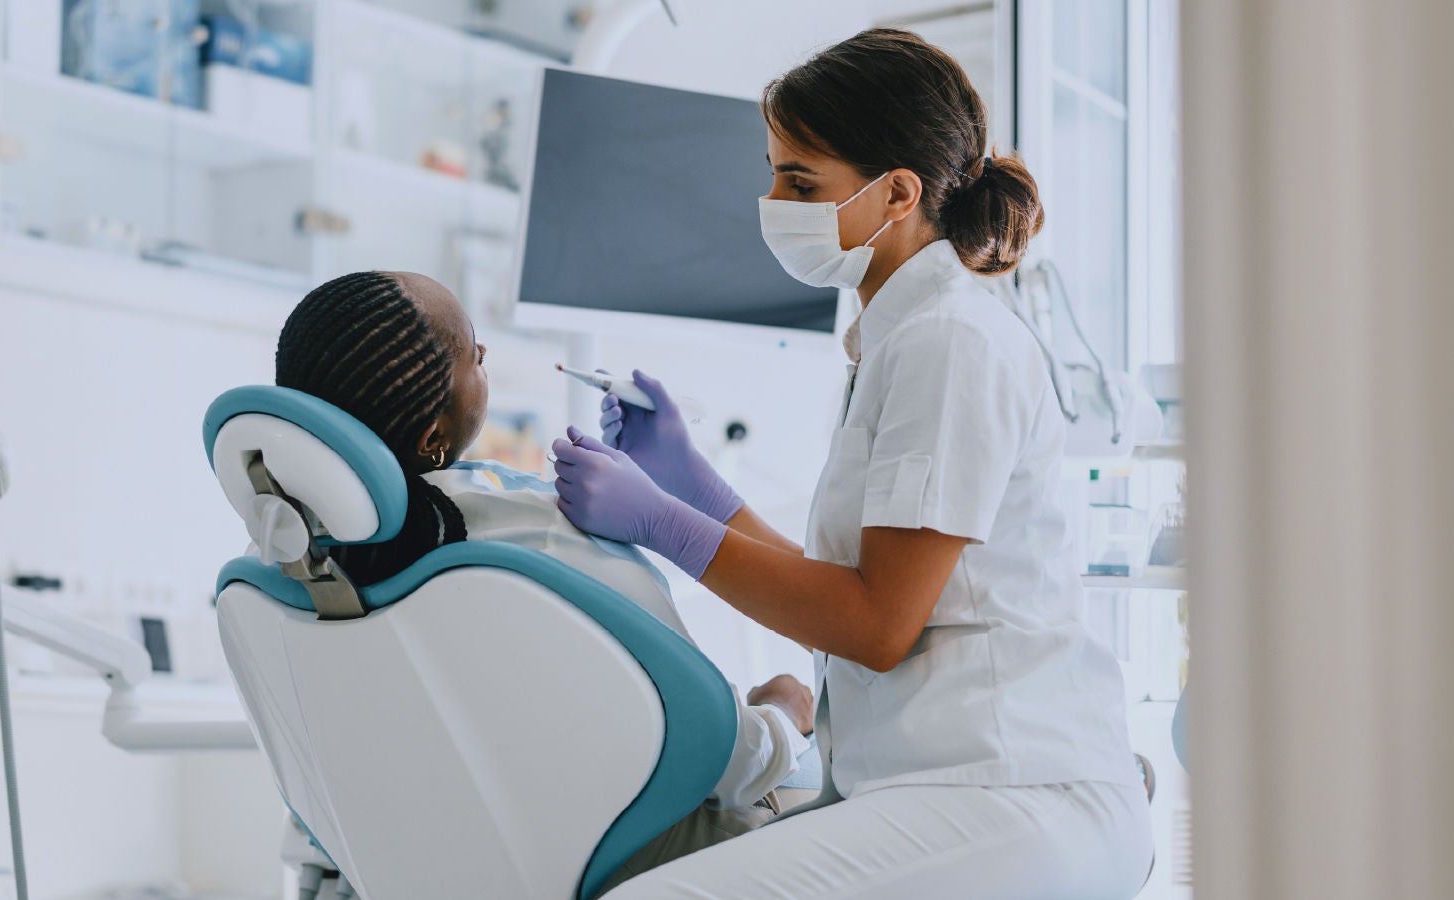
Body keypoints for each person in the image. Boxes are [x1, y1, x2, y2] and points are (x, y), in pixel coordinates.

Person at [550, 28, 1154, 898]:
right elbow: (842, 593)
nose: (771, 200)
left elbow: (874, 626)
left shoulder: (950, 341)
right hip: (942, 780)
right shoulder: (901, 338)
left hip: (1011, 789)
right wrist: (690, 481)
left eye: (800, 182)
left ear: (898, 193)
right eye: (772, 173)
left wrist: (660, 521)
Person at [272, 270, 814, 890]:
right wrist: (779, 716)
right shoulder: (541, 543)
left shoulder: (285, 573)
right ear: (432, 437)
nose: (485, 358)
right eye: (474, 354)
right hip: (640, 872)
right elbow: (726, 761)